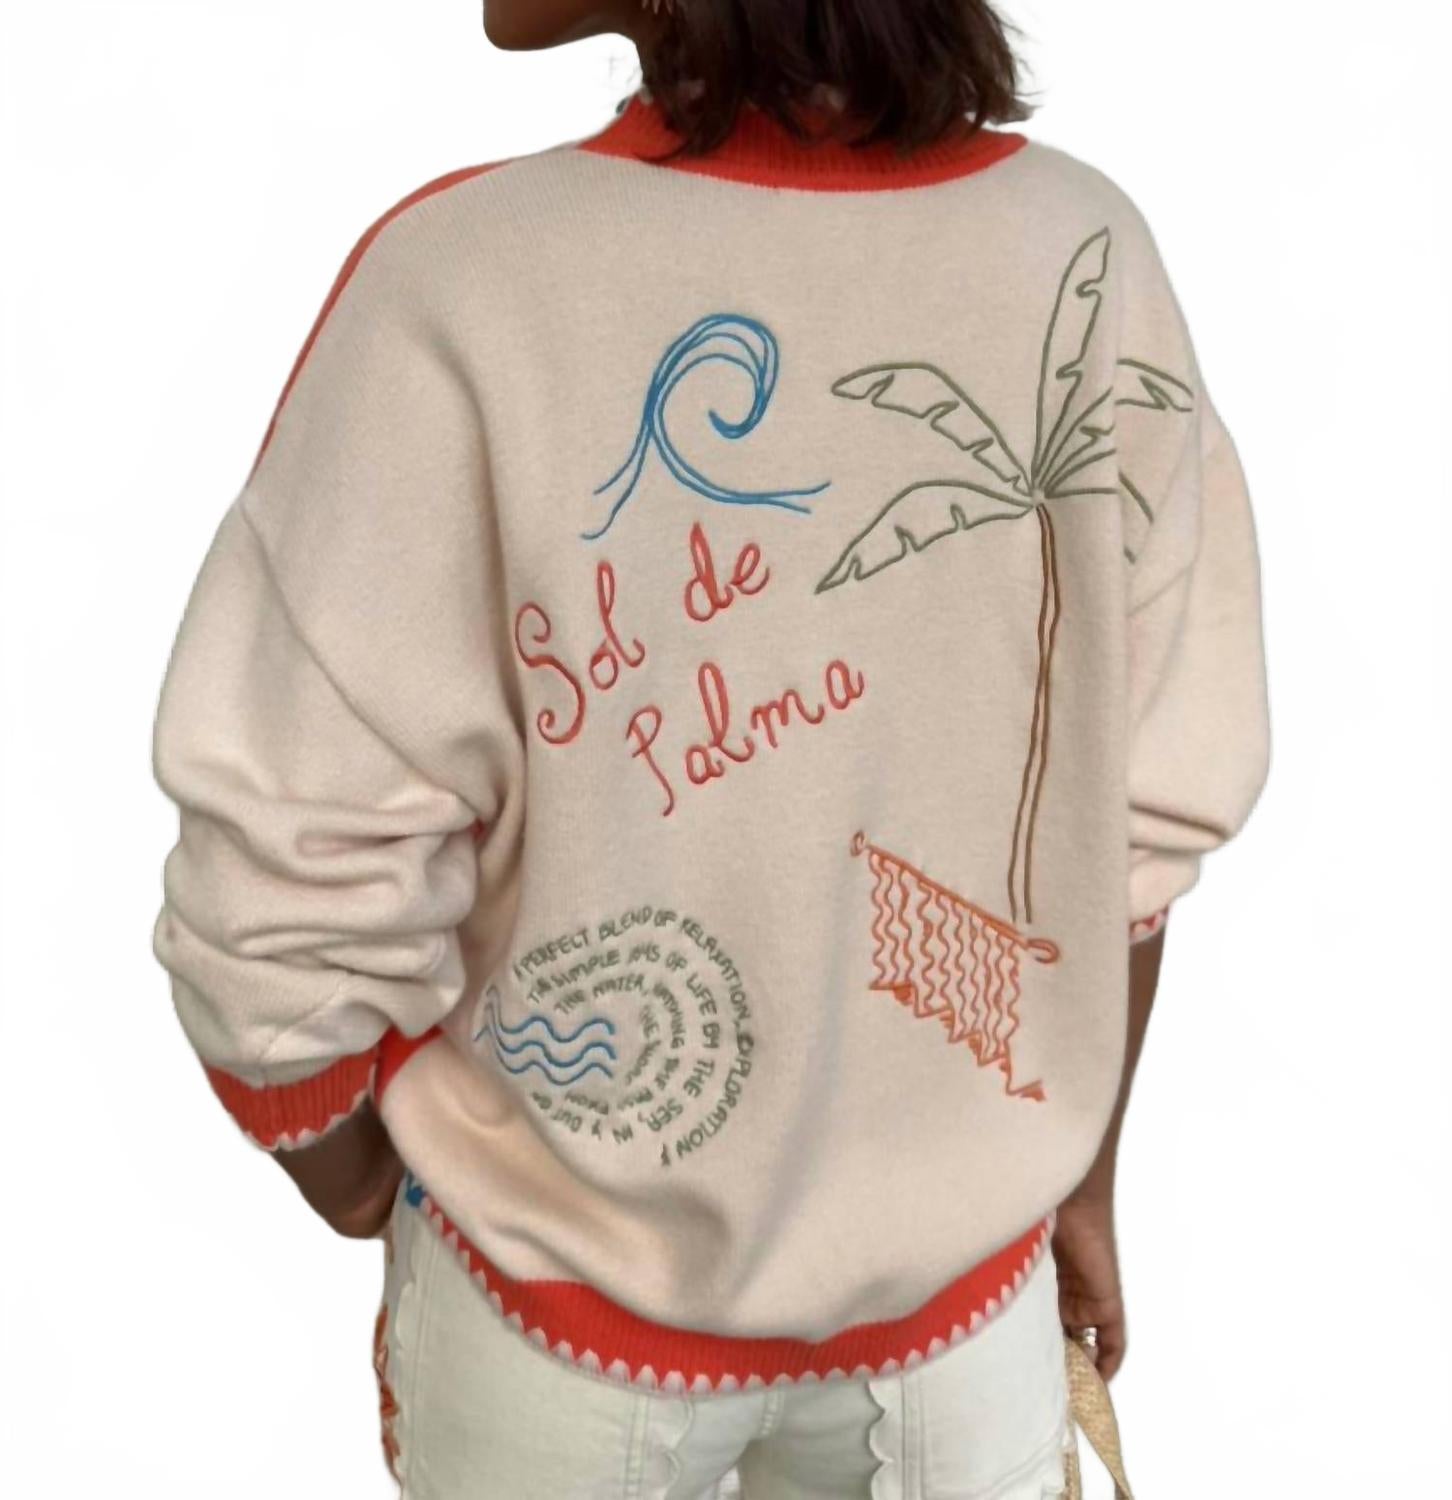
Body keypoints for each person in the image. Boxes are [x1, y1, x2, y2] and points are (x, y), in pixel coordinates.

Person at [149, 1, 1270, 1494]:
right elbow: (1137, 824)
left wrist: (378, 1183)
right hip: (966, 1343)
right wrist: (1080, 1181)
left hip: (553, 1349)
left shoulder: (466, 280)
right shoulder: (1086, 250)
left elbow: (276, 895)